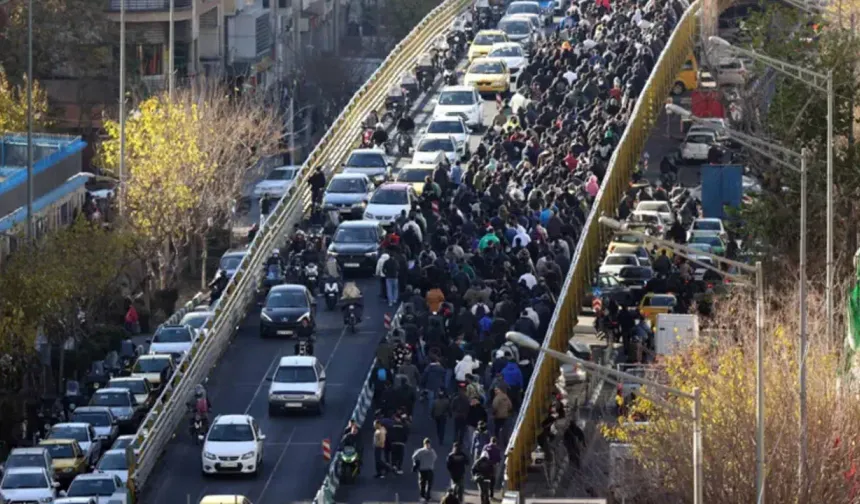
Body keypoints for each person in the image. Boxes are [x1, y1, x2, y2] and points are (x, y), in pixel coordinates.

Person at [412, 437, 437, 502]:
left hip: (422, 470)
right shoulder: (432, 451)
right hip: (430, 469)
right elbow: (435, 458)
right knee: (429, 484)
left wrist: (417, 463)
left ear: (424, 443)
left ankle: (422, 496)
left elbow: (414, 457)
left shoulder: (420, 451)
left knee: (422, 484)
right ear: (430, 444)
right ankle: (428, 496)